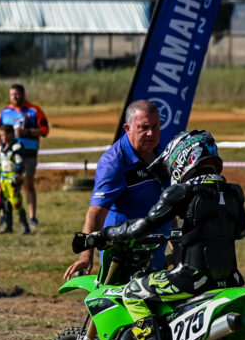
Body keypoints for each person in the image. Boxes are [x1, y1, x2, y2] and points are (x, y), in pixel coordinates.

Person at [94, 130, 245, 340]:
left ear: (183, 159)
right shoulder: (233, 191)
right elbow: (243, 230)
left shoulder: (181, 191)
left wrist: (106, 234)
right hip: (229, 279)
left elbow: (143, 226)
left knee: (133, 291)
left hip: (191, 278)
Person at [64, 101, 169, 281]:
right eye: (143, 128)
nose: (151, 133)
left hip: (156, 252)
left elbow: (167, 205)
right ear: (127, 128)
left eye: (155, 127)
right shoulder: (114, 163)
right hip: (122, 255)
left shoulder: (164, 154)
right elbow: (96, 213)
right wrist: (86, 255)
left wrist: (178, 249)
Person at [0, 83, 49, 226]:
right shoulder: (4, 112)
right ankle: (4, 216)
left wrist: (28, 132)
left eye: (17, 94)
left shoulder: (34, 110)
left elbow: (45, 130)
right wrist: (0, 150)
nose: (15, 97)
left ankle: (32, 217)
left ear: (23, 94)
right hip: (8, 157)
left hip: (28, 154)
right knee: (5, 185)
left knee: (28, 185)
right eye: (12, 94)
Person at [0, 124, 30, 234]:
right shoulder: (1, 149)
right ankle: (7, 226)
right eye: (1, 135)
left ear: (11, 134)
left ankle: (25, 226)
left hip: (13, 180)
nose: (3, 137)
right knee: (4, 203)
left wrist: (17, 177)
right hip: (3, 180)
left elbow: (20, 164)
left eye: (5, 135)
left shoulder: (16, 147)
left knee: (16, 202)